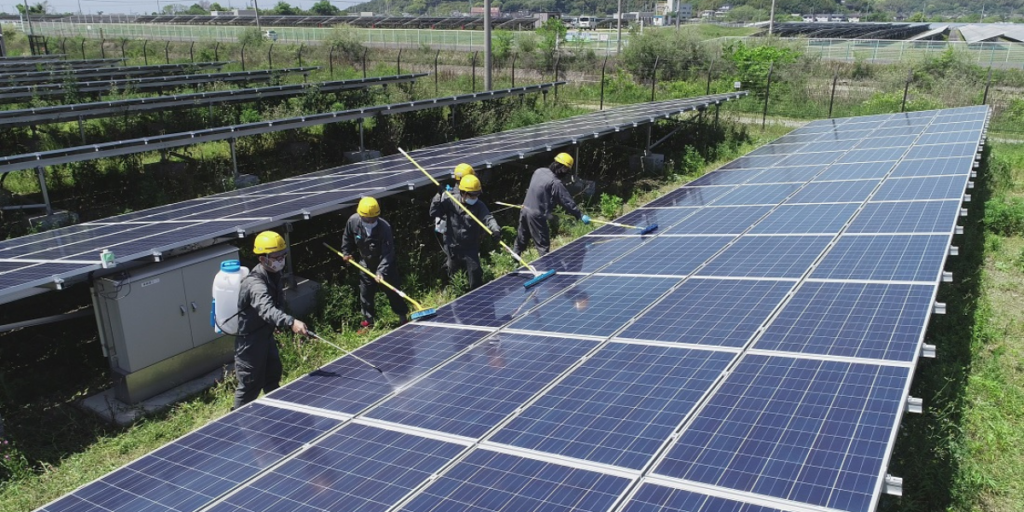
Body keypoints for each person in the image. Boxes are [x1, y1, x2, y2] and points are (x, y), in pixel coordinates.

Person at [234, 231, 308, 409]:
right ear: (262, 259)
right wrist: (290, 322)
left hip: (266, 336)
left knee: (272, 377)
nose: (280, 260)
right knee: (250, 386)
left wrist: (276, 323)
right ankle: (236, 422)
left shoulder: (274, 274)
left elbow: (276, 305)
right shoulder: (256, 284)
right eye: (276, 257)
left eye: (282, 255)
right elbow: (266, 309)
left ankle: (277, 413)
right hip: (250, 343)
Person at [341, 196, 409, 335]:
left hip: (385, 267)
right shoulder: (353, 221)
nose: (371, 222)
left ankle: (402, 317)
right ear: (361, 216)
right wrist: (346, 252)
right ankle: (368, 321)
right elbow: (347, 237)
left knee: (393, 292)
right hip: (365, 265)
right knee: (365, 295)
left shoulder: (384, 227)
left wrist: (381, 272)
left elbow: (388, 252)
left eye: (374, 219)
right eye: (368, 219)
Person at [430, 174, 501, 290]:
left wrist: (495, 230)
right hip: (453, 247)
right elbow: (433, 212)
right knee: (452, 273)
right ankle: (453, 294)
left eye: (477, 195)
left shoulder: (479, 206)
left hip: (470, 248)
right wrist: (438, 196)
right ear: (463, 193)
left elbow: (488, 218)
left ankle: (477, 296)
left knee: (475, 273)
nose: (475, 198)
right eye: (472, 195)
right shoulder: (450, 201)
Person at [513, 152, 590, 257]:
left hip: (524, 209)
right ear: (560, 166)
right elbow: (566, 201)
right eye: (566, 169)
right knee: (543, 244)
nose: (566, 172)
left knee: (522, 238)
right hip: (537, 215)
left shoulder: (539, 171)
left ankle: (514, 259)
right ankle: (545, 266)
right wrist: (579, 215)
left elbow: (538, 190)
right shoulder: (555, 183)